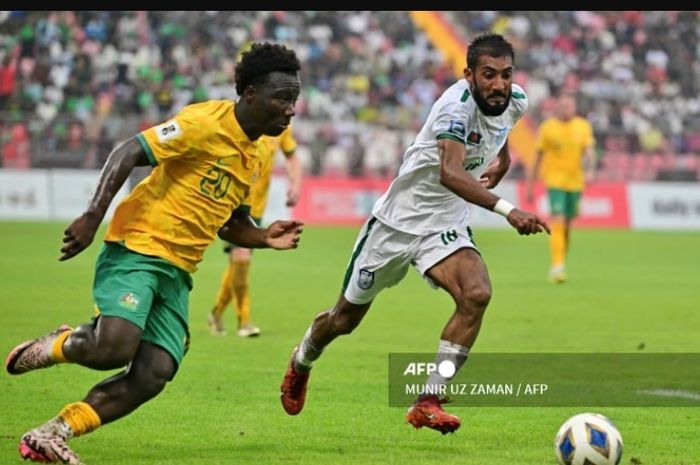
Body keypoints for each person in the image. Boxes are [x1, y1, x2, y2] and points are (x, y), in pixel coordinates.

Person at [5, 42, 303, 465]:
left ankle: (52, 433)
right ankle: (61, 345)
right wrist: (92, 216)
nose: (291, 110)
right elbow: (128, 151)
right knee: (114, 347)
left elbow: (232, 223)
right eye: (282, 98)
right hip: (139, 245)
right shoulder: (204, 122)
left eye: (294, 100)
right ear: (250, 94)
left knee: (154, 372)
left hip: (179, 271)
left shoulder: (256, 158)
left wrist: (264, 236)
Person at [279, 33, 549, 434]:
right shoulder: (452, 111)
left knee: (476, 294)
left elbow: (502, 128)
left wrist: (504, 161)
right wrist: (509, 211)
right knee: (343, 320)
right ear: (469, 75)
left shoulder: (516, 100)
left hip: (444, 223)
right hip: (396, 224)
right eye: (488, 75)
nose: (499, 84)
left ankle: (428, 400)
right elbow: (451, 172)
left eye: (506, 74)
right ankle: (301, 360)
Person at [208, 124, 302, 337]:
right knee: (241, 259)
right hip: (234, 202)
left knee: (237, 263)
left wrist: (295, 184)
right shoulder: (240, 120)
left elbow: (292, 157)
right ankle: (244, 322)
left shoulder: (280, 126)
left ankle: (216, 313)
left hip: (257, 206)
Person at [526, 92, 595, 283]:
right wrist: (530, 186)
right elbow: (537, 158)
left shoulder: (583, 126)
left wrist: (589, 171)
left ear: (574, 107)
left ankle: (561, 260)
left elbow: (589, 152)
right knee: (558, 219)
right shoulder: (547, 128)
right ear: (557, 107)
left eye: (570, 106)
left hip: (576, 182)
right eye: (563, 105)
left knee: (566, 226)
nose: (567, 109)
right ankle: (557, 267)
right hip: (555, 181)